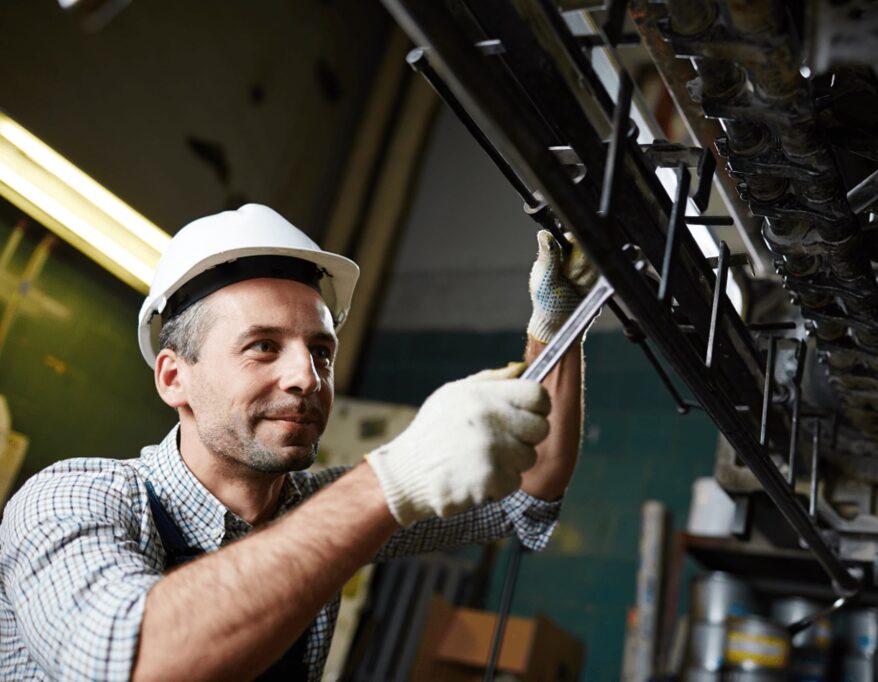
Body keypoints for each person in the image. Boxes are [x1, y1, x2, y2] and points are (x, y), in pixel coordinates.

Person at [0, 204, 595, 680]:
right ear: (173, 377)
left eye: (321, 351)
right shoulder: (67, 500)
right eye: (263, 345)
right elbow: (133, 664)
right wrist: (389, 482)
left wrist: (557, 321)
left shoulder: (313, 509)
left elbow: (529, 482)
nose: (308, 378)